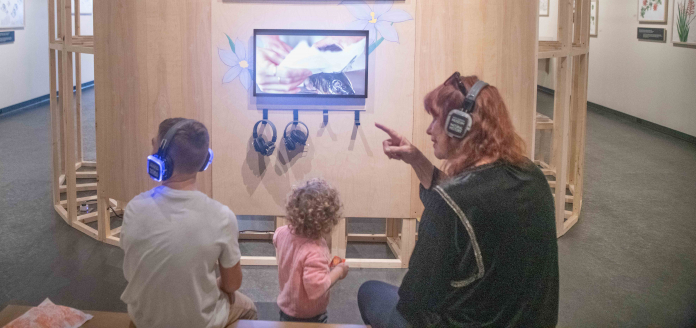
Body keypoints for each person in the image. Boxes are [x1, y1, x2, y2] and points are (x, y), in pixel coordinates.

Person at [358, 73, 559, 328]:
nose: (429, 130)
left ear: (459, 125)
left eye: (435, 120)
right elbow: (471, 200)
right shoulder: (532, 174)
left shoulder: (451, 202)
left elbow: (413, 300)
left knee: (370, 291)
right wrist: (417, 159)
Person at [120, 118, 258, 328]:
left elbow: (134, 270)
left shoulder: (133, 208)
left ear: (161, 158)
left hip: (143, 321)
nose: (152, 144)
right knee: (248, 307)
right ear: (204, 161)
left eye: (154, 142)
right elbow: (232, 284)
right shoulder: (222, 216)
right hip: (199, 323)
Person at [274, 178, 350, 323]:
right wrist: (339, 271)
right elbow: (317, 289)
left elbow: (276, 240)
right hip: (310, 316)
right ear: (328, 219)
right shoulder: (315, 250)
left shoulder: (282, 232)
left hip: (286, 309)